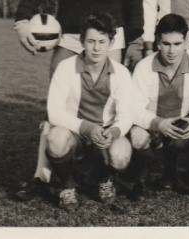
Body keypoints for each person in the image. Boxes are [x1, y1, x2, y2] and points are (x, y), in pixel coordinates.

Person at [13, 0, 144, 200]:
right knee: (56, 108)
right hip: (71, 35)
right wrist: (22, 19)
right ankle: (43, 175)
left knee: (107, 109)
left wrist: (135, 39)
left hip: (110, 40)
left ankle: (102, 174)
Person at [45, 12, 133, 210]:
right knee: (55, 139)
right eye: (91, 41)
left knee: (121, 156)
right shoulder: (65, 68)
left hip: (104, 132)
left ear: (111, 43)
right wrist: (87, 128)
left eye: (102, 42)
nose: (96, 48)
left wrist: (113, 133)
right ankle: (67, 186)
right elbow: (54, 112)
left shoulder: (121, 73)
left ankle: (102, 179)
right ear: (82, 41)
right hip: (75, 132)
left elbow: (126, 115)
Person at [130, 14, 189, 199]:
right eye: (166, 44)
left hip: (182, 124)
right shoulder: (144, 66)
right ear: (157, 43)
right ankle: (142, 179)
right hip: (154, 126)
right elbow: (134, 108)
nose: (172, 51)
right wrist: (158, 123)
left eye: (177, 44)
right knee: (137, 137)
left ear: (186, 42)